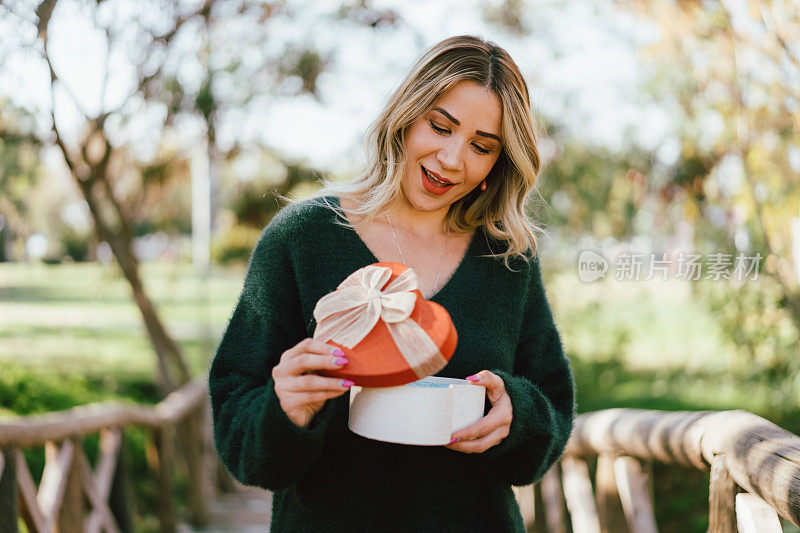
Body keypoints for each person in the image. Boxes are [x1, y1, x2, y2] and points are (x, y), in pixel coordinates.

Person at [208, 34, 575, 531]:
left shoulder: (506, 257)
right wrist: (285, 408)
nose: (452, 158)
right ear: (406, 115)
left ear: (498, 163)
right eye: (440, 126)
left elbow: (552, 406)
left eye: (481, 146)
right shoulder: (302, 238)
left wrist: (520, 415)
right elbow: (238, 428)